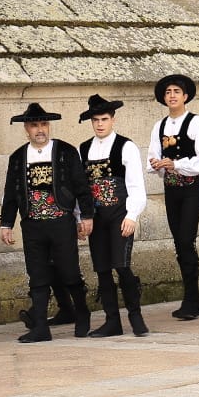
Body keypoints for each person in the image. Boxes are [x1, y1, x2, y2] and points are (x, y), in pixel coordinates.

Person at [0, 102, 94, 342]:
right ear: (26, 129)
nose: (39, 129)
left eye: (43, 124)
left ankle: (82, 313)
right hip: (32, 224)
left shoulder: (66, 151)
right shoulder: (18, 157)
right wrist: (6, 223)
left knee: (69, 271)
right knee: (37, 274)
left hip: (61, 222)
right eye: (34, 125)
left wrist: (86, 217)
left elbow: (82, 188)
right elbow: (11, 193)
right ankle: (40, 327)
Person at [78, 94, 149, 337]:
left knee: (122, 266)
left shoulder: (125, 146)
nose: (100, 124)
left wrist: (132, 215)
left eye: (104, 119)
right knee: (102, 269)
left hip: (120, 215)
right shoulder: (84, 148)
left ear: (113, 119)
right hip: (97, 218)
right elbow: (82, 189)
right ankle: (112, 321)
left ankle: (135, 316)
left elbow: (136, 185)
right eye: (95, 120)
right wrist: (82, 217)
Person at [147, 74, 199, 321]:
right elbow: (153, 157)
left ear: (185, 96)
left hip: (191, 188)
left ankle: (192, 298)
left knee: (187, 239)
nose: (172, 95)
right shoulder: (159, 125)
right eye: (168, 92)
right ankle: (191, 299)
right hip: (171, 189)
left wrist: (176, 164)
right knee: (178, 241)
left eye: (176, 91)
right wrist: (158, 163)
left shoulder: (197, 123)